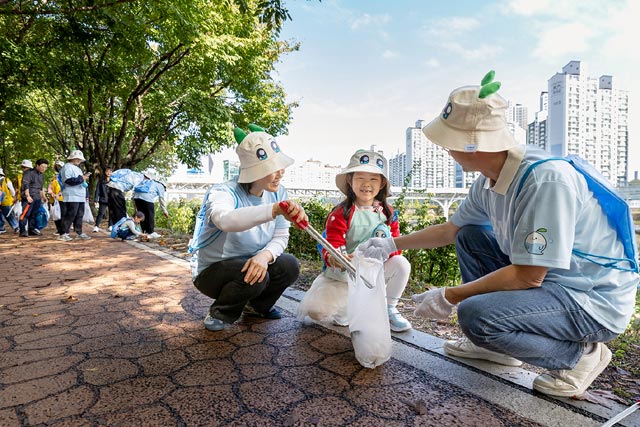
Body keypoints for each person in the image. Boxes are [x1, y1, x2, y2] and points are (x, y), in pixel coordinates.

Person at [358, 71, 639, 398]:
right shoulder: (488, 181)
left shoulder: (543, 180)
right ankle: (497, 348)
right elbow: (452, 230)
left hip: (590, 300)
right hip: (555, 283)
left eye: (449, 141)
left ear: (473, 145)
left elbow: (528, 276)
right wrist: (391, 243)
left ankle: (579, 358)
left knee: (474, 315)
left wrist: (451, 295)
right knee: (471, 236)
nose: (446, 149)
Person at [190, 124, 307, 332]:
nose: (280, 172)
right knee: (255, 277)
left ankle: (257, 307)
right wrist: (274, 210)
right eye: (272, 168)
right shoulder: (224, 191)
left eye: (280, 165)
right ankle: (221, 312)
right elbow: (225, 220)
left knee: (289, 265)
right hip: (214, 271)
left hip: (251, 262)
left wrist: (264, 256)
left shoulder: (279, 192)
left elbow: (281, 235)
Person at [298, 149, 412, 332]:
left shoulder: (389, 213)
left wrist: (382, 251)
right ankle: (351, 305)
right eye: (360, 178)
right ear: (350, 181)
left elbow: (397, 245)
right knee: (316, 312)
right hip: (344, 275)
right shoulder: (341, 213)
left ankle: (389, 307)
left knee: (401, 263)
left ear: (382, 183)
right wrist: (335, 258)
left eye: (374, 179)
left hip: (374, 272)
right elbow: (331, 244)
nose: (367, 184)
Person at [59, 150, 91, 241]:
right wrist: (82, 178)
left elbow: (80, 180)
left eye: (79, 159)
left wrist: (83, 179)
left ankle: (79, 232)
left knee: (79, 215)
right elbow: (68, 180)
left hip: (80, 195)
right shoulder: (67, 167)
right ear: (72, 158)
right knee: (70, 214)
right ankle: (63, 233)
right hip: (71, 195)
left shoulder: (78, 169)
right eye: (77, 158)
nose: (79, 160)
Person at [132, 170, 168, 239]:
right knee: (150, 215)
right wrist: (165, 211)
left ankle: (144, 231)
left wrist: (135, 206)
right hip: (147, 198)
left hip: (137, 198)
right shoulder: (160, 186)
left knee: (142, 215)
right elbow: (161, 199)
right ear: (164, 186)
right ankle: (151, 232)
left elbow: (134, 192)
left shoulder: (149, 182)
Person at [19, 158, 49, 237]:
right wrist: (28, 196)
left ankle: (31, 230)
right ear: (37, 165)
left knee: (34, 214)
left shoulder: (42, 176)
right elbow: (26, 185)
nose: (44, 169)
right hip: (28, 198)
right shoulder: (29, 173)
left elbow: (41, 188)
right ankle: (22, 231)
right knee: (25, 214)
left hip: (37, 198)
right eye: (42, 166)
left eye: (45, 167)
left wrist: (44, 197)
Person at [48, 161, 65, 235]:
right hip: (54, 199)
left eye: (60, 167)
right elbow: (50, 187)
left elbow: (65, 187)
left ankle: (63, 230)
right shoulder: (54, 178)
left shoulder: (65, 177)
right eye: (57, 167)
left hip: (62, 198)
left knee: (62, 215)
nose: (58, 168)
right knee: (55, 215)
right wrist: (52, 193)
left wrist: (59, 194)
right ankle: (59, 229)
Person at [0, 168, 19, 233]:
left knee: (8, 215)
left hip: (6, 201)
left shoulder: (6, 181)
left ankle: (16, 226)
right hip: (3, 201)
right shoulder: (5, 180)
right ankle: (1, 228)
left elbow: (12, 191)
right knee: (0, 215)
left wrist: (14, 198)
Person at [93, 167, 112, 232]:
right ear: (105, 172)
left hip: (111, 199)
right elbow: (97, 190)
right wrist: (96, 199)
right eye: (107, 171)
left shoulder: (113, 180)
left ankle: (110, 226)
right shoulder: (101, 181)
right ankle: (96, 226)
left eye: (110, 171)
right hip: (103, 199)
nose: (109, 173)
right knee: (101, 212)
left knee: (111, 213)